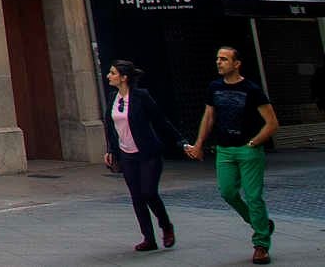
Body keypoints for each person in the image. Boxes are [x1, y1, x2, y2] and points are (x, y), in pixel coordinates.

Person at [186, 45, 279, 264]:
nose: (219, 62)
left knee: (253, 196)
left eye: (224, 59)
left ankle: (261, 245)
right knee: (227, 192)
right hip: (224, 150)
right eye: (218, 58)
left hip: (248, 150)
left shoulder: (252, 89)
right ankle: (262, 223)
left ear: (236, 64)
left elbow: (272, 123)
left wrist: (253, 143)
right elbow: (208, 117)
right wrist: (199, 144)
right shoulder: (214, 87)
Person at [102, 60, 184, 252]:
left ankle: (166, 226)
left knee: (149, 192)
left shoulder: (141, 97)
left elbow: (160, 120)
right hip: (126, 155)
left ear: (124, 77)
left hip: (147, 152)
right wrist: (111, 150)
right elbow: (111, 128)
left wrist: (181, 141)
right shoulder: (113, 98)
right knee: (137, 197)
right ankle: (148, 238)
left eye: (112, 73)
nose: (108, 76)